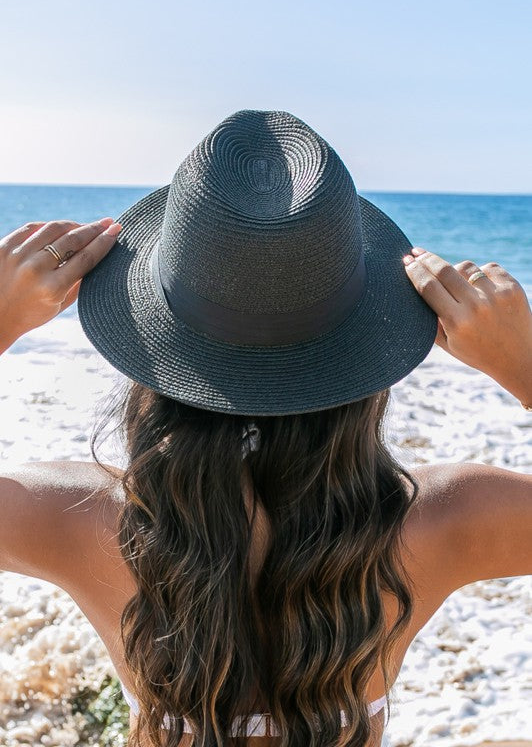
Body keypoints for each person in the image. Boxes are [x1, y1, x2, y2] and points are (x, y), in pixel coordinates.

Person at [0, 110, 530, 747]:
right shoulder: (446, 520)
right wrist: (522, 364)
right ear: (367, 357)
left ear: (156, 356)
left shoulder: (79, 518)